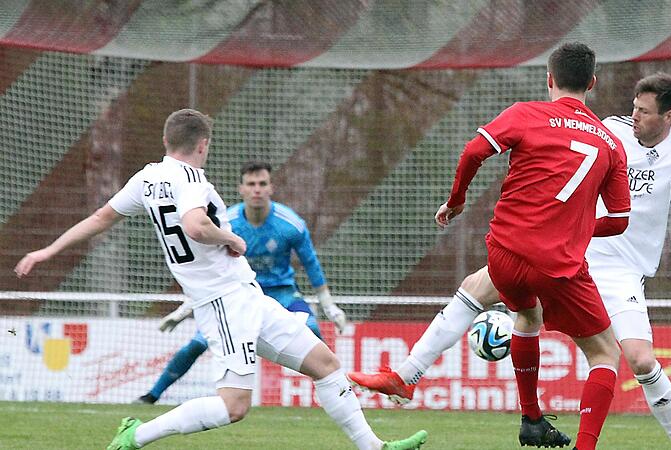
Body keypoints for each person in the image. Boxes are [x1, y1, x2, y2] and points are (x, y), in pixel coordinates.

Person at [349, 61, 671, 450]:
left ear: (669, 116)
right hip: (569, 252)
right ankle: (407, 374)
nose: (634, 115)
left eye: (643, 112)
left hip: (619, 269)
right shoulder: (610, 130)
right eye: (633, 107)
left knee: (641, 362)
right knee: (477, 288)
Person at [14, 109, 427, 450]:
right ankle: (135, 436)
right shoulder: (191, 178)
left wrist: (49, 250)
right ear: (202, 144)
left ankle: (375, 448)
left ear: (166, 141)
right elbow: (195, 225)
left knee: (326, 364)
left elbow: (102, 218)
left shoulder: (147, 178)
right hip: (223, 304)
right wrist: (230, 236)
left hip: (247, 297)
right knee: (234, 408)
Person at [359, 42, 631, 450]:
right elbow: (620, 220)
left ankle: (424, 379)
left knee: (500, 300)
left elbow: (474, 151)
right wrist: (573, 229)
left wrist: (456, 200)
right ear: (592, 83)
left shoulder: (525, 113)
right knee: (606, 355)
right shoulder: (611, 144)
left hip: (506, 252)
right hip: (557, 265)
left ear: (549, 78)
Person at [135, 161, 346, 405]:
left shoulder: (291, 224)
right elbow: (207, 269)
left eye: (262, 184)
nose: (257, 189)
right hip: (236, 295)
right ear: (241, 189)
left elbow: (311, 264)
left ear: (271, 188)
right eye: (251, 184)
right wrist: (186, 308)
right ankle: (152, 396)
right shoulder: (227, 222)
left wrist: (329, 306)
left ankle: (340, 393)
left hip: (282, 294)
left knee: (313, 328)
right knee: (197, 344)